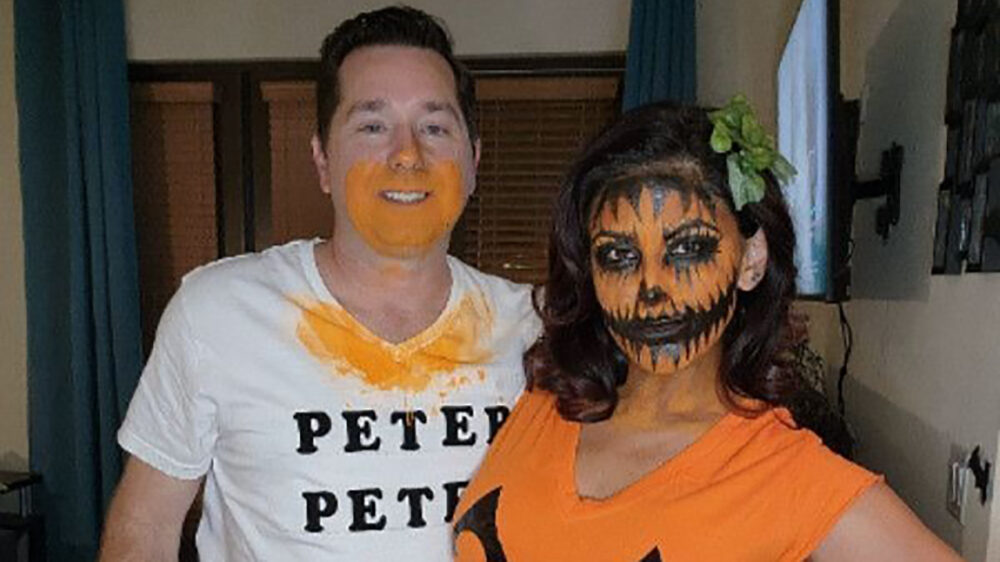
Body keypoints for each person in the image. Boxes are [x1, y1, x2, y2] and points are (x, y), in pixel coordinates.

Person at [99, 6, 540, 561]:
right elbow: (144, 526)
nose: (407, 154)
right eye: (372, 126)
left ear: (473, 160)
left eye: (434, 127)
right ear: (322, 160)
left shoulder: (534, 329)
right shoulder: (217, 313)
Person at [452, 100, 962, 561]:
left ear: (750, 259)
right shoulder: (544, 404)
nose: (652, 287)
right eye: (618, 255)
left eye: (688, 249)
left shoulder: (782, 474)